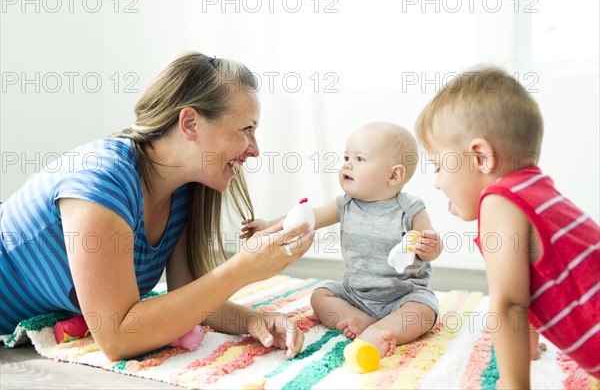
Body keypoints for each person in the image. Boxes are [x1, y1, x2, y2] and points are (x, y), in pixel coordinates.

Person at [0, 52, 314, 361]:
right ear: (190, 123)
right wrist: (243, 268)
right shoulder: (101, 179)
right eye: (247, 129)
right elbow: (117, 337)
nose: (255, 150)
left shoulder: (183, 191)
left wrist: (253, 320)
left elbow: (193, 299)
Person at [415, 67, 599, 387]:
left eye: (439, 165)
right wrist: (526, 348)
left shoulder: (498, 201)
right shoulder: (534, 191)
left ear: (481, 157)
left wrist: (514, 384)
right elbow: (531, 286)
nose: (438, 182)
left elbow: (510, 304)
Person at [242, 122, 443, 358]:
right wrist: (269, 226)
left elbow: (431, 247)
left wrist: (430, 247)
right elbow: (305, 218)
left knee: (423, 312)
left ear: (394, 174)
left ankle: (381, 331)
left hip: (402, 296)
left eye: (360, 159)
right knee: (320, 296)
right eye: (346, 156)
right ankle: (362, 320)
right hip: (355, 295)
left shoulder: (411, 209)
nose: (347, 164)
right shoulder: (345, 204)